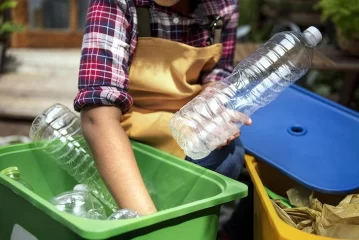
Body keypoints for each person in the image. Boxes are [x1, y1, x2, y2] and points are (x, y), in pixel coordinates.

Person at [74, 0, 251, 217]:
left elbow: (217, 74)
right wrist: (146, 222)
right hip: (126, 131)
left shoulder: (221, 6)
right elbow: (97, 118)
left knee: (229, 156)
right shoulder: (117, 3)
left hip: (183, 126)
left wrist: (211, 108)